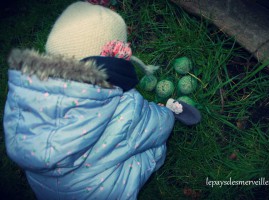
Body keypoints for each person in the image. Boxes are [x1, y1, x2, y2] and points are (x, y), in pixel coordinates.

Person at [3, 1, 200, 199]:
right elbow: (159, 127)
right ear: (113, 61)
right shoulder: (127, 106)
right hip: (100, 193)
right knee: (154, 150)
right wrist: (165, 112)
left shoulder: (25, 99)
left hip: (46, 190)